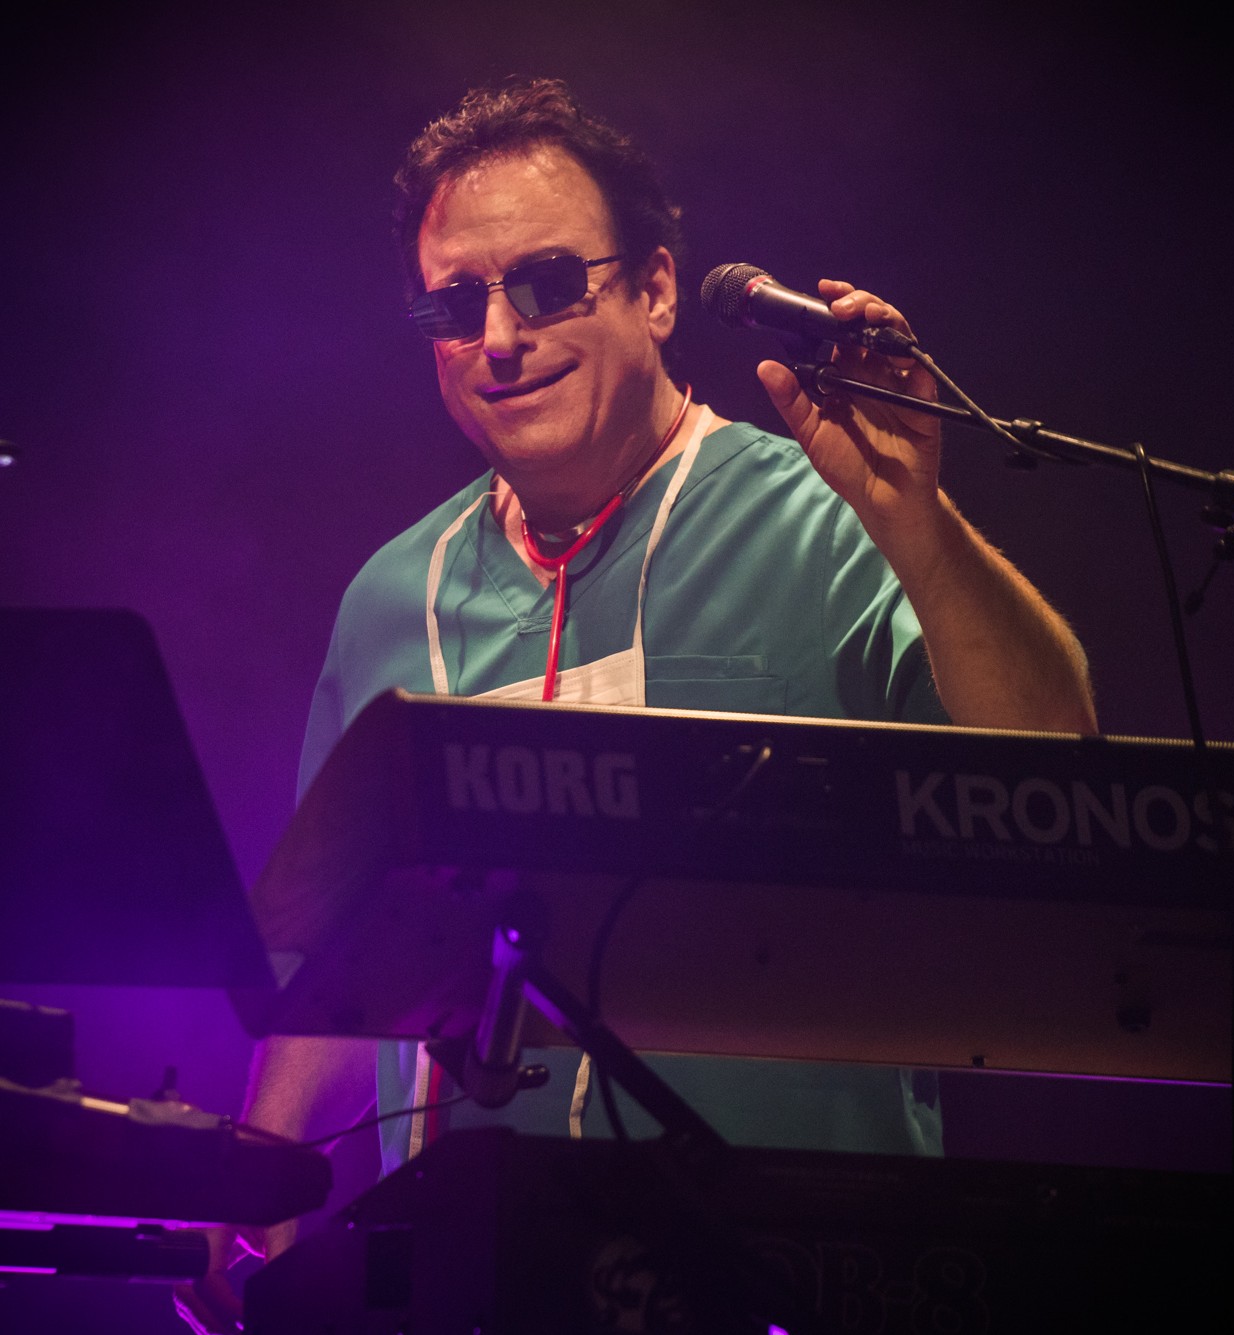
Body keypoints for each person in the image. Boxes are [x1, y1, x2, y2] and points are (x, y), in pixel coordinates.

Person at [175, 77, 1096, 1333]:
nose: (500, 338)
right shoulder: (389, 597)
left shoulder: (831, 518)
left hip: (797, 1270)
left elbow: (1055, 767)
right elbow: (340, 960)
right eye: (454, 304)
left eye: (548, 283)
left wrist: (921, 525)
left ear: (657, 291)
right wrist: (257, 1173)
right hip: (471, 1285)